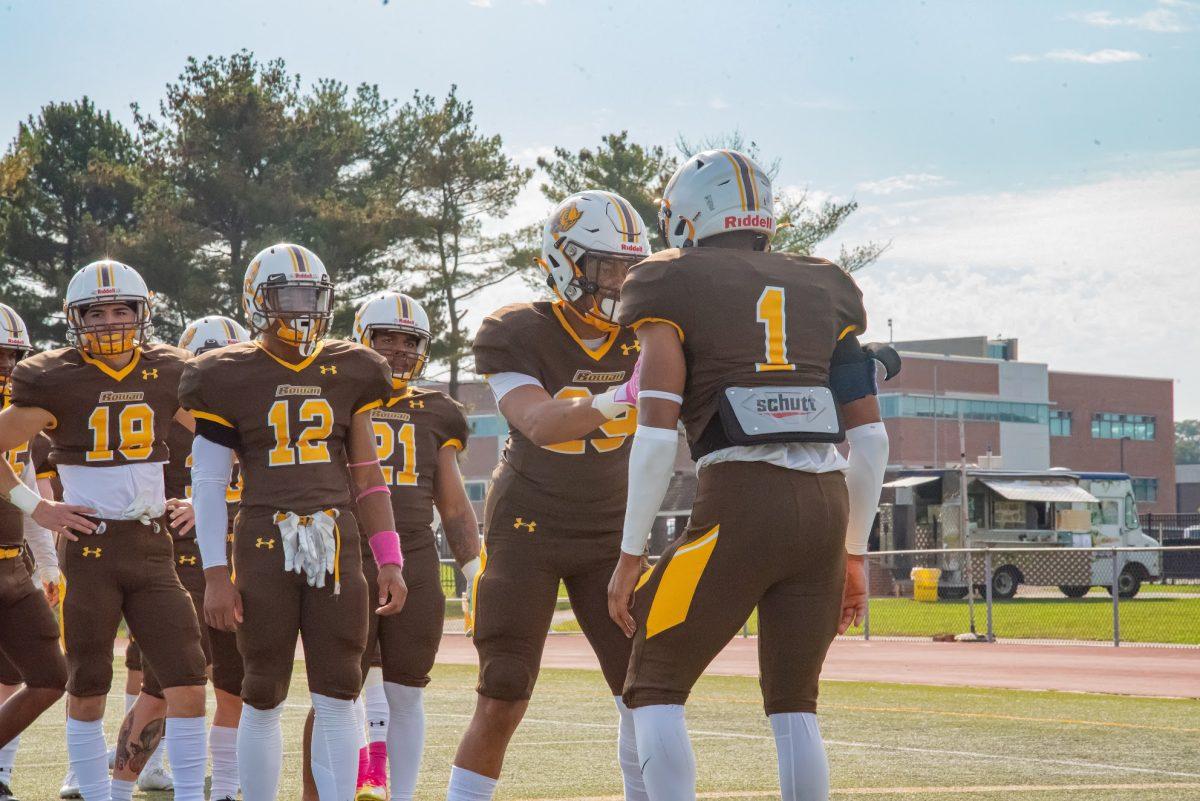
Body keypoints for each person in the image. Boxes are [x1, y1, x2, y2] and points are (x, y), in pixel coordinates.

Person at [606, 150, 893, 801]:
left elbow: (654, 441)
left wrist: (629, 554)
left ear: (688, 217)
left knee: (653, 681)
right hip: (825, 508)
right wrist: (854, 553)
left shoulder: (668, 281)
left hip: (739, 502)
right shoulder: (825, 282)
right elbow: (871, 442)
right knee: (795, 705)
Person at [183, 243, 406, 801]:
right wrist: (214, 571)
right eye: (289, 295)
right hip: (263, 537)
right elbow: (208, 483)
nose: (302, 308)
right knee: (262, 691)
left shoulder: (352, 366)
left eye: (312, 296)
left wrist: (390, 558)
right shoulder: (225, 373)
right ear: (259, 300)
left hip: (336, 539)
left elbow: (367, 472)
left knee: (339, 690)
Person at [446, 191, 649, 801]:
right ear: (565, 263)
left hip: (611, 528)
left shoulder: (650, 331)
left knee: (643, 691)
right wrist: (624, 395)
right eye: (608, 266)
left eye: (630, 267)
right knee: (503, 692)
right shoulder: (520, 330)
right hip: (528, 525)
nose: (621, 281)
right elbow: (539, 422)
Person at [0, 261, 209, 801]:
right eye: (97, 312)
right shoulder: (53, 376)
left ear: (142, 314)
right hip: (91, 547)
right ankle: (96, 794)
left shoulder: (169, 369)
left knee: (187, 678)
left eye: (122, 310)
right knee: (88, 683)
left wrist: (201, 498)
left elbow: (222, 442)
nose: (111, 321)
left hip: (152, 546)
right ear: (76, 319)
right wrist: (35, 506)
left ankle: (187, 793)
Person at [352, 291, 481, 801]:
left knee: (406, 689)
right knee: (339, 690)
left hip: (416, 555)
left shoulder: (437, 411)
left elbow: (453, 505)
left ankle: (398, 795)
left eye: (411, 342)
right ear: (365, 339)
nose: (401, 351)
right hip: (349, 552)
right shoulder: (339, 395)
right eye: (388, 339)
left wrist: (475, 575)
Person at [117, 315, 252, 799]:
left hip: (239, 556)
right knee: (162, 684)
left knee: (238, 682)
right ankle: (116, 784)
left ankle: (227, 787)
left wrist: (216, 504)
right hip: (175, 561)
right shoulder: (159, 414)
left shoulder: (252, 416)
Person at [0, 303, 66, 801]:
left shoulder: (18, 423)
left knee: (48, 678)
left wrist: (46, 562)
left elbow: (29, 496)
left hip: (11, 565)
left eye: (10, 358)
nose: (5, 368)